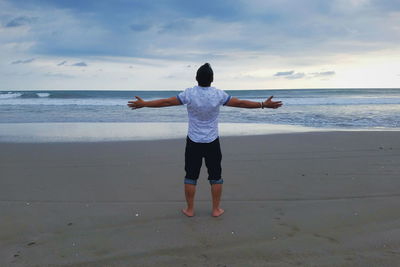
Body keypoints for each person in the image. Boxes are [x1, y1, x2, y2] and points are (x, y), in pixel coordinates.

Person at [127, 63, 282, 217]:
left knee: (190, 176)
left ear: (196, 78)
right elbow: (240, 103)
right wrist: (263, 104)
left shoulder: (189, 93)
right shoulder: (218, 94)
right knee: (215, 176)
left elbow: (166, 102)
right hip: (212, 142)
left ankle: (190, 210)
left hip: (193, 141)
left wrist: (145, 104)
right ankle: (216, 210)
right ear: (212, 79)